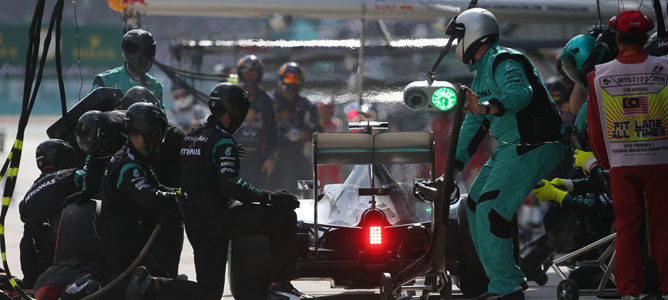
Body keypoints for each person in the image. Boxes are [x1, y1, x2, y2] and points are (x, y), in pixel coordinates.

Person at [449, 8, 567, 299]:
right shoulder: (480, 76)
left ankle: (507, 287)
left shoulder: (506, 61)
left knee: (492, 209)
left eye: (458, 37)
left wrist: (488, 106)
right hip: (510, 148)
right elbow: (473, 125)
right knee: (475, 205)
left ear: (475, 33)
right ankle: (503, 280)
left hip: (535, 145)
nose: (455, 44)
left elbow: (520, 93)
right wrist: (454, 166)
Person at [180, 83, 312, 300]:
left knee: (208, 292)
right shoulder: (222, 141)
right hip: (218, 219)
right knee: (284, 217)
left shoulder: (194, 136)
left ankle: (156, 285)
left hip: (194, 222)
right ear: (234, 110)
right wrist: (269, 197)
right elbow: (230, 185)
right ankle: (279, 286)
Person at [586, 10, 668, 299]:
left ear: (617, 39)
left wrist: (606, 162)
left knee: (627, 228)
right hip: (661, 161)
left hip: (622, 163)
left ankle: (630, 291)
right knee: (664, 225)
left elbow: (594, 129)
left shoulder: (598, 76)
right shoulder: (666, 67)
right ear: (646, 38)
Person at [100, 103, 182, 287]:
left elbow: (158, 187)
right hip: (123, 246)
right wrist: (178, 198)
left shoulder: (135, 157)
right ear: (149, 133)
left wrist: (182, 193)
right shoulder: (128, 165)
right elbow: (151, 198)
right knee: (168, 285)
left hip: (131, 239)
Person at [19, 139, 81, 289]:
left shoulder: (26, 198)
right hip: (78, 262)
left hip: (45, 274)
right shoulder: (72, 175)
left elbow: (26, 243)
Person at [273, 62, 321, 194]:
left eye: (296, 79)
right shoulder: (268, 103)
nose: (292, 84)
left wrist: (302, 134)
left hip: (298, 156)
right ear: (280, 80)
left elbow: (319, 131)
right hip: (271, 156)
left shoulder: (308, 106)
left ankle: (306, 205)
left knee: (310, 186)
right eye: (289, 79)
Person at [234, 55, 279, 189]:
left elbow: (275, 134)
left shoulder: (267, 100)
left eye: (254, 73)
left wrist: (271, 158)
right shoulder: (232, 96)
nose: (251, 76)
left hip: (259, 158)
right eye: (247, 73)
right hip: (235, 156)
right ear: (241, 74)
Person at [91, 29, 164, 109]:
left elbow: (161, 119)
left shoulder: (156, 87)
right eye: (135, 50)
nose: (143, 58)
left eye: (147, 52)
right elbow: (89, 115)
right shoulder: (105, 81)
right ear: (126, 54)